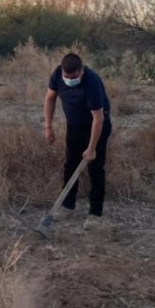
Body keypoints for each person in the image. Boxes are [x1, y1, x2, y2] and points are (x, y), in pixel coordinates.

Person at [43, 53, 112, 230]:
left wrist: (92, 148)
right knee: (70, 165)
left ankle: (95, 214)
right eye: (66, 76)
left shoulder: (92, 82)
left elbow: (98, 118)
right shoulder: (58, 74)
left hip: (97, 127)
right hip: (74, 126)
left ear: (81, 72)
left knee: (95, 169)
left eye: (73, 77)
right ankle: (67, 206)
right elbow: (50, 98)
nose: (68, 80)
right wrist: (48, 127)